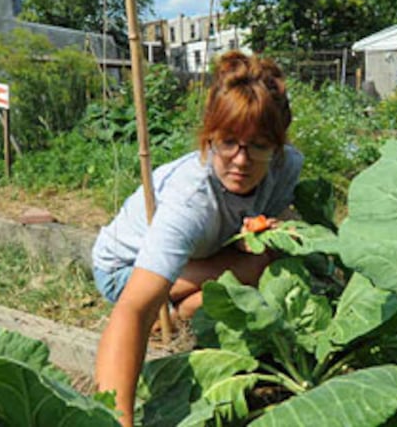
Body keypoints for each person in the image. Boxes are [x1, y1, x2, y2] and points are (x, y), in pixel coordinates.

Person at [91, 50, 303, 425]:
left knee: (271, 257)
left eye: (258, 145)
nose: (241, 160)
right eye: (228, 142)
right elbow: (133, 310)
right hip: (122, 269)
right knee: (258, 264)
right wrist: (115, 420)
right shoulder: (190, 200)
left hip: (197, 261)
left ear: (277, 146)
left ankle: (182, 310)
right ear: (209, 138)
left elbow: (281, 220)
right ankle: (177, 307)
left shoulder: (287, 166)